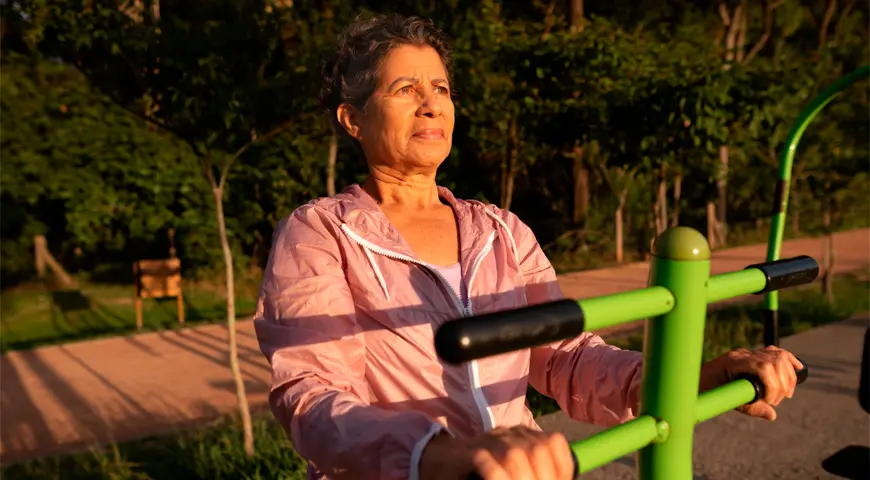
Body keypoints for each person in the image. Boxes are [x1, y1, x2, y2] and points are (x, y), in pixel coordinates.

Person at [253, 13, 803, 480]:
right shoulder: (321, 233)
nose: (431, 105)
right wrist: (438, 454)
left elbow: (569, 356)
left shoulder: (501, 232)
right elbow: (314, 396)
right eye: (404, 89)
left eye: (441, 89)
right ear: (352, 119)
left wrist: (703, 376)